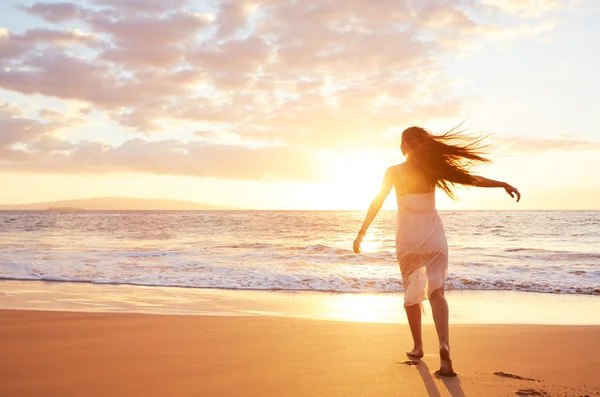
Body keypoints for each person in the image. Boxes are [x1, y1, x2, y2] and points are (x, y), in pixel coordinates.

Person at [353, 126, 520, 376]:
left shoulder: (393, 171)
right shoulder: (433, 170)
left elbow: (377, 201)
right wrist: (502, 184)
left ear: (404, 145)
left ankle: (418, 347)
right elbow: (472, 180)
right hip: (433, 235)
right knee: (437, 292)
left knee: (411, 291)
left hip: (408, 237)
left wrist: (362, 232)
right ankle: (443, 345)